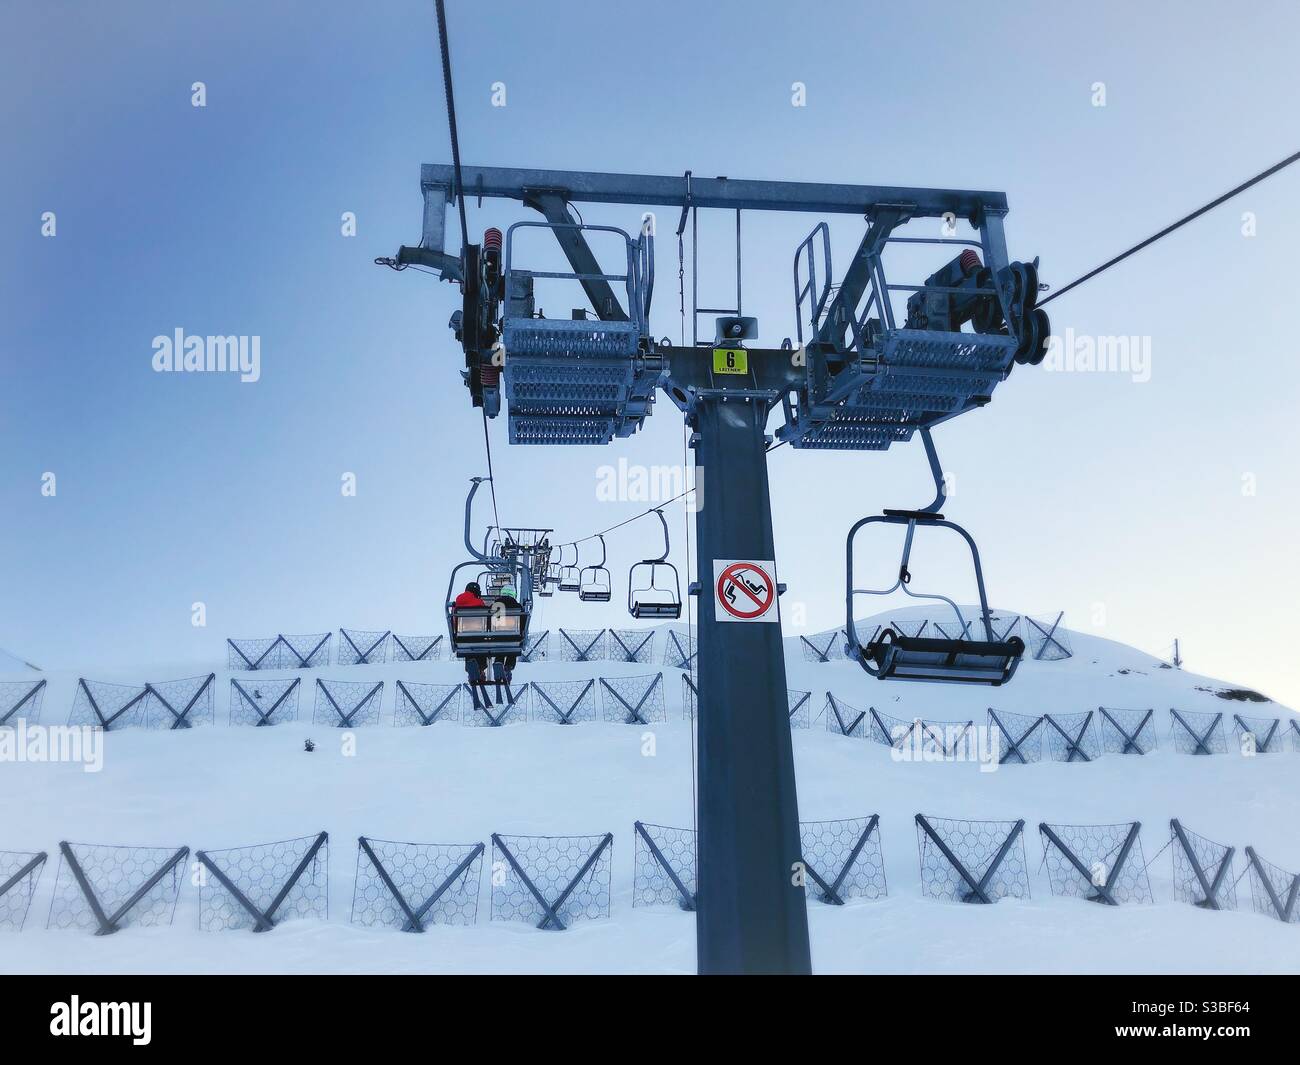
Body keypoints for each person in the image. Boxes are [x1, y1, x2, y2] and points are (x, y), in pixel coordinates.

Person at [452, 582, 488, 684]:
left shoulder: (458, 600)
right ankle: (481, 670)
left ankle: (471, 670)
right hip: (479, 633)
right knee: (481, 646)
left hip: (462, 633)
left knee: (468, 648)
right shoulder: (479, 602)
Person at [491, 584, 521, 685]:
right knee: (512, 649)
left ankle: (498, 663)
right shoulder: (517, 607)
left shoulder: (496, 605)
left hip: (496, 637)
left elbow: (489, 620)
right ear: (513, 594)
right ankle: (508, 668)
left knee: (500, 648)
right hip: (513, 637)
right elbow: (523, 622)